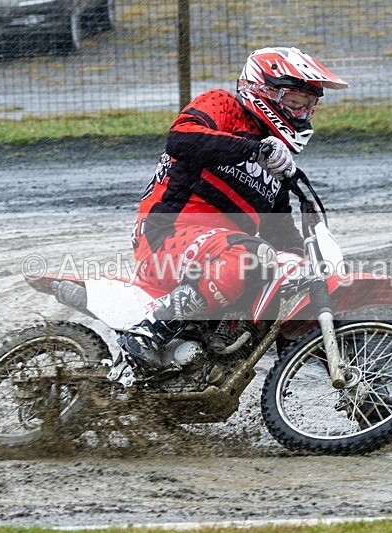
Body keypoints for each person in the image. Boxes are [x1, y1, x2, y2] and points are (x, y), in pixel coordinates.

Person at [118, 46, 348, 374]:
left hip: (221, 255)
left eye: (309, 106)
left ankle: (360, 392)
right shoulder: (223, 105)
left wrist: (308, 270)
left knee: (293, 275)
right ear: (263, 89)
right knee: (253, 255)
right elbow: (181, 139)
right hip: (165, 237)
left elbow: (279, 231)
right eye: (294, 102)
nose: (301, 113)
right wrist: (253, 149)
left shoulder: (275, 162)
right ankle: (148, 330)